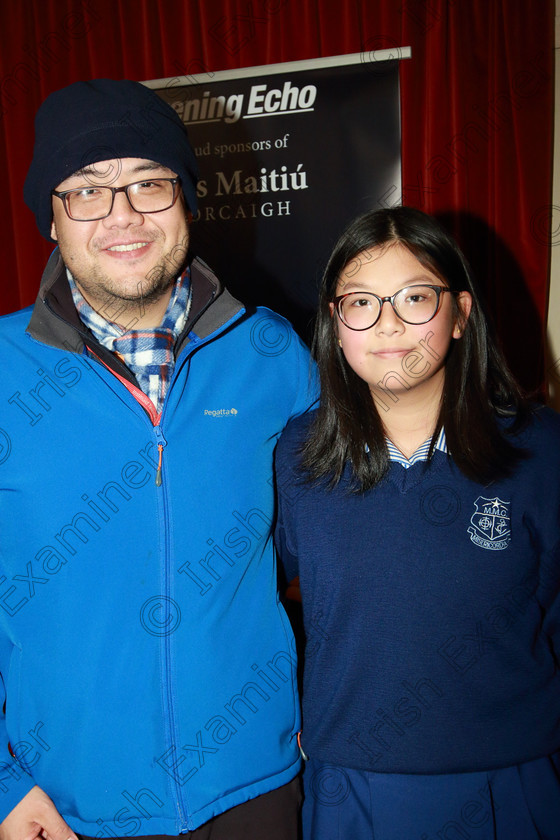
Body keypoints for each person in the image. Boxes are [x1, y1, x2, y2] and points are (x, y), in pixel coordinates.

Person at [0, 78, 316, 840]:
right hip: (65, 808)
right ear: (51, 215)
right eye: (87, 191)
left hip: (258, 788)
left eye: (150, 183)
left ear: (189, 200)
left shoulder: (273, 353)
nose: (123, 215)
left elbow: (344, 548)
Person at [275, 207, 560, 839]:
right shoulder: (297, 457)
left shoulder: (540, 451)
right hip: (349, 787)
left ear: (460, 314)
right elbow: (258, 607)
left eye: (414, 298)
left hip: (511, 781)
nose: (388, 325)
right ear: (335, 321)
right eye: (361, 303)